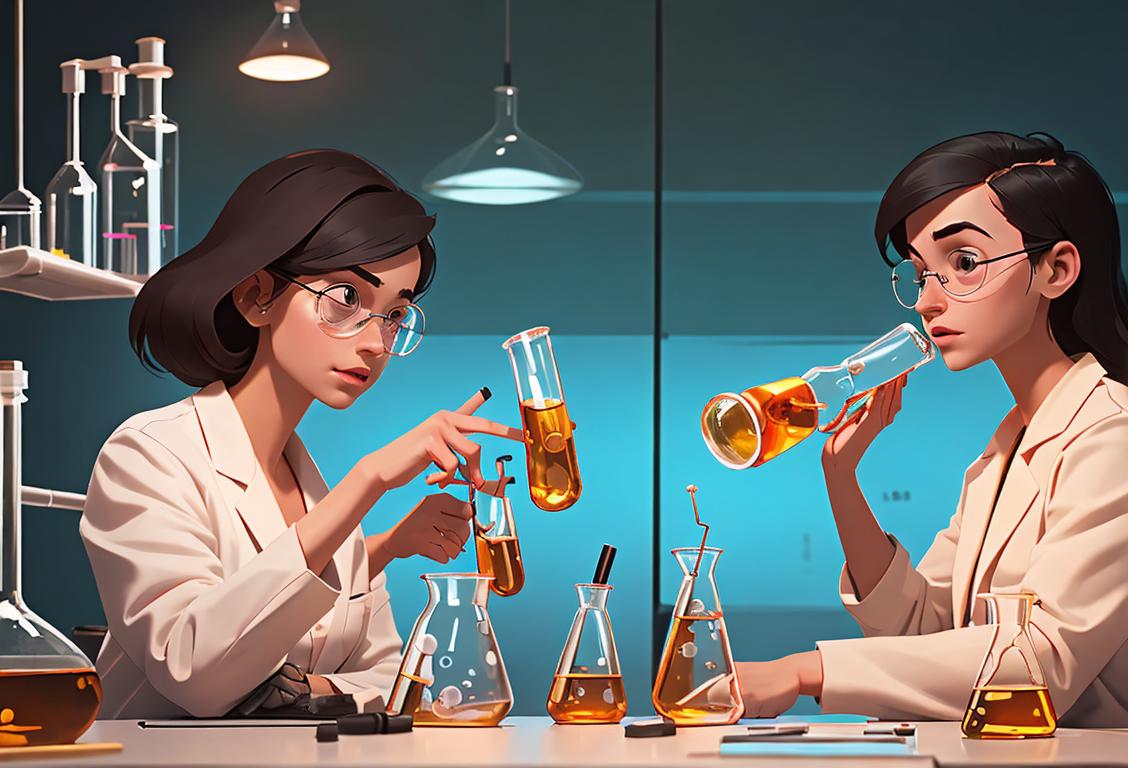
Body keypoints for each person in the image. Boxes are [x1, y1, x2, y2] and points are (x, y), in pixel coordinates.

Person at [80, 149, 522, 718]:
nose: (375, 342)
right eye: (346, 299)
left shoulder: (317, 494)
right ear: (255, 295)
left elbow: (393, 678)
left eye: (394, 314)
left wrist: (302, 692)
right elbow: (192, 668)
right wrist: (368, 481)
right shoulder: (148, 455)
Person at [736, 132, 1128, 727]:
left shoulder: (1112, 436)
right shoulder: (1007, 448)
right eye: (921, 274)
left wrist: (804, 672)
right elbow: (920, 626)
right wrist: (841, 475)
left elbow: (1042, 660)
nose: (926, 302)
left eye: (963, 264)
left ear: (1057, 269)